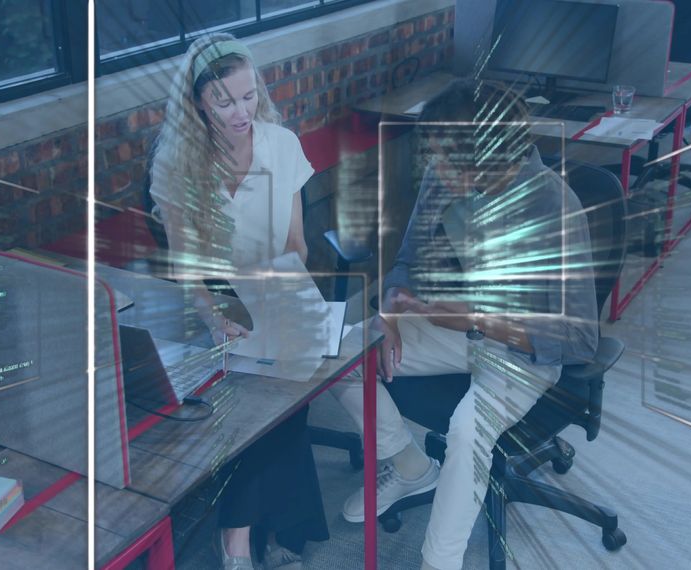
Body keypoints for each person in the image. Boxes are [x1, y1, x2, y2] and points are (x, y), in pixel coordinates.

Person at [330, 79, 599, 570]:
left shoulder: (553, 207)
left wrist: (479, 319)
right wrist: (390, 309)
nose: (432, 165)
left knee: (466, 429)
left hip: (522, 351)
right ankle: (411, 467)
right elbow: (407, 259)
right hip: (452, 327)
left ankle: (439, 562)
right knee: (342, 351)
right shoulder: (444, 177)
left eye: (443, 157)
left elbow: (580, 338)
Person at [149, 33, 324, 570]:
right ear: (198, 101)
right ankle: (265, 537)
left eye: (248, 96)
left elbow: (297, 245)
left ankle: (238, 541)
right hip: (218, 309)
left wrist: (290, 303)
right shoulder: (176, 165)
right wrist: (215, 317)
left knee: (284, 392)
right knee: (264, 405)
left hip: (282, 292)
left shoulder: (282, 143)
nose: (241, 110)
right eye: (224, 101)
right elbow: (185, 268)